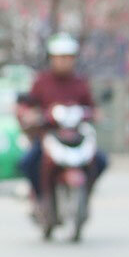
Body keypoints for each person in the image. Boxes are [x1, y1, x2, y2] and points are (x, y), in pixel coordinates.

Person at [17, 32, 108, 201]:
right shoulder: (41, 82)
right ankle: (40, 198)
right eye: (60, 57)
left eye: (68, 57)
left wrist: (96, 113)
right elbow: (29, 104)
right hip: (48, 134)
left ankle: (86, 193)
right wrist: (30, 114)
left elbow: (91, 106)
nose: (64, 61)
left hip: (75, 134)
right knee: (28, 163)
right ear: (51, 58)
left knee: (101, 160)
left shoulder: (80, 83)